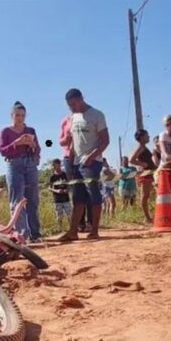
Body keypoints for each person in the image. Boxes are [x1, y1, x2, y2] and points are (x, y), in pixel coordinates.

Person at [57, 88, 109, 241]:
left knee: (93, 194)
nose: (72, 107)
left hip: (92, 162)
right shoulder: (73, 117)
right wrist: (72, 162)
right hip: (77, 162)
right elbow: (73, 143)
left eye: (74, 104)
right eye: (69, 105)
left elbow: (105, 140)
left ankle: (94, 230)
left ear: (81, 99)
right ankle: (73, 231)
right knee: (78, 197)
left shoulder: (97, 115)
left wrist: (92, 156)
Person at [0, 101, 41, 242]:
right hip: (14, 163)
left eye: (23, 115)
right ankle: (22, 235)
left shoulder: (31, 130)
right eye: (17, 115)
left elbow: (38, 149)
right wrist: (16, 143)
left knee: (33, 199)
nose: (20, 118)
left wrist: (33, 147)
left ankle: (35, 234)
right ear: (12, 115)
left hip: (29, 163)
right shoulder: (5, 131)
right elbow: (2, 151)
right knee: (17, 200)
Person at [130, 129, 156, 223]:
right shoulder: (140, 147)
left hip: (149, 173)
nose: (149, 136)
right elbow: (132, 160)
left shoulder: (144, 147)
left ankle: (149, 216)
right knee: (145, 196)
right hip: (145, 174)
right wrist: (142, 164)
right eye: (147, 135)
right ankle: (147, 218)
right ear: (141, 137)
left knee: (149, 195)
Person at [48, 158, 72, 229]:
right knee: (59, 216)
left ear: (59, 165)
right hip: (57, 199)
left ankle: (71, 228)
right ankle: (60, 229)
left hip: (66, 198)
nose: (54, 166)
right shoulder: (52, 177)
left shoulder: (64, 174)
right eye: (53, 165)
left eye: (55, 165)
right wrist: (56, 191)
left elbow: (69, 184)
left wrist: (67, 189)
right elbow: (49, 187)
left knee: (69, 214)